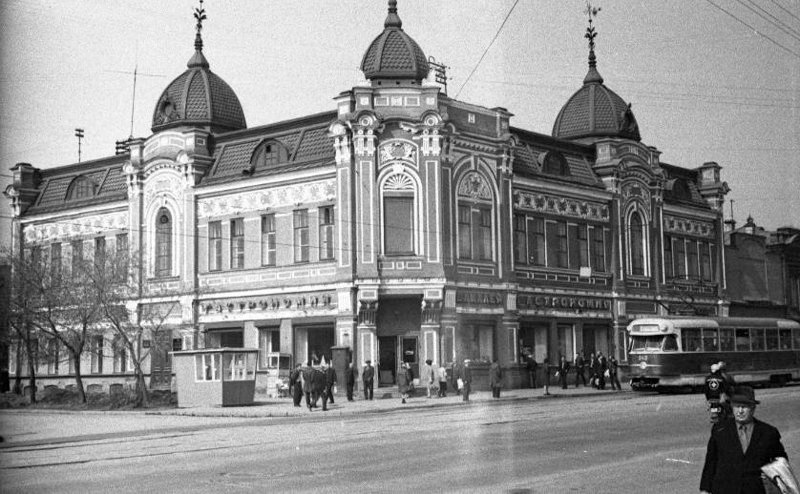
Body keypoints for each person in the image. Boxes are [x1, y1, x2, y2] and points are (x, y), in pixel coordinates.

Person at [700, 385, 788, 494]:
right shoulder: (720, 430)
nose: (740, 411)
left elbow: (781, 463)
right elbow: (711, 462)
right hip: (724, 489)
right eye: (737, 406)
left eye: (744, 407)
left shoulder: (768, 433)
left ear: (753, 408)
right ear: (732, 407)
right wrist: (705, 489)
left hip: (756, 490)